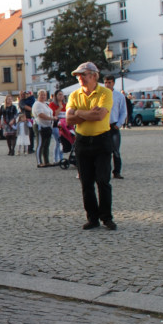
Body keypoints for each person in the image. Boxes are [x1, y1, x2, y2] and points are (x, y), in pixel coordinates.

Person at [66, 62, 115, 230]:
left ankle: (106, 217)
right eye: (78, 76)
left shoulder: (105, 93)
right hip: (83, 141)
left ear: (94, 75)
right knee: (86, 182)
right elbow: (69, 119)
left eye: (83, 74)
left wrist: (78, 112)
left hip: (101, 140)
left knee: (103, 180)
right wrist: (87, 114)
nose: (80, 78)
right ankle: (92, 218)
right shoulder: (75, 95)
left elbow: (100, 116)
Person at [103, 75, 127, 179]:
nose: (107, 85)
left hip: (113, 125)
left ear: (113, 83)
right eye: (106, 82)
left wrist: (119, 124)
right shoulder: (101, 94)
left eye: (109, 82)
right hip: (103, 125)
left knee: (116, 150)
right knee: (104, 151)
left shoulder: (119, 96)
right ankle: (105, 171)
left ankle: (117, 172)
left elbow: (123, 111)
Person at [32, 89, 54, 168]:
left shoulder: (45, 104)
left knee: (46, 144)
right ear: (38, 95)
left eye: (44, 95)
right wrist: (51, 118)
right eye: (41, 95)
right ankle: (39, 162)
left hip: (47, 126)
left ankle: (46, 161)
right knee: (40, 144)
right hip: (40, 126)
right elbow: (40, 115)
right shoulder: (37, 104)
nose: (43, 96)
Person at [50, 90, 68, 165]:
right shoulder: (52, 104)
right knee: (58, 142)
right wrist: (60, 107)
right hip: (56, 125)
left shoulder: (65, 104)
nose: (61, 96)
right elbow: (54, 114)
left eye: (62, 94)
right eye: (59, 94)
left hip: (64, 125)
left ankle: (61, 158)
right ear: (56, 96)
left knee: (62, 142)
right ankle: (55, 159)